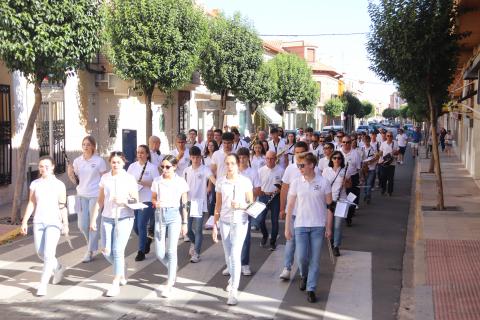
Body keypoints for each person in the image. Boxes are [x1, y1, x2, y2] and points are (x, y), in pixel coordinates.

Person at [285, 152, 333, 303]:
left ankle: (311, 288)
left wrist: (329, 227)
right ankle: (304, 275)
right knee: (301, 258)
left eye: (302, 165)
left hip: (318, 226)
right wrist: (287, 227)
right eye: (298, 165)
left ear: (311, 165)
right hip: (300, 225)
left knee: (315, 259)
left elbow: (329, 206)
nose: (299, 168)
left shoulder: (323, 182)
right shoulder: (296, 182)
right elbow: (290, 206)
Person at [90, 151, 139, 297]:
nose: (115, 164)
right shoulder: (105, 178)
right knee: (106, 251)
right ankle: (121, 267)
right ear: (110, 163)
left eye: (118, 162)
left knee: (118, 251)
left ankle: (116, 282)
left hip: (124, 218)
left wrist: (123, 201)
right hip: (107, 218)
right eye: (113, 162)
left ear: (123, 163)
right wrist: (94, 219)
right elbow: (100, 200)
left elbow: (136, 200)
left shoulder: (129, 178)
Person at [21, 156, 68, 296]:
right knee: (41, 253)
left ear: (53, 166)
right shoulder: (35, 183)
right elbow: (31, 203)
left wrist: (65, 224)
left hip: (54, 222)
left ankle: (43, 284)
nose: (43, 168)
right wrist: (24, 222)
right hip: (38, 221)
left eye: (46, 166)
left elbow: (62, 206)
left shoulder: (60, 184)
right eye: (41, 166)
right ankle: (58, 267)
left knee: (48, 254)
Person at [212, 154, 254, 306]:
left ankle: (234, 291)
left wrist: (241, 206)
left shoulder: (245, 181)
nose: (230, 166)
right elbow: (217, 205)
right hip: (224, 221)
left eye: (232, 163)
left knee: (235, 255)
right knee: (228, 255)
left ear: (238, 164)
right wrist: (215, 225)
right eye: (227, 163)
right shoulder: (221, 182)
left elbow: (251, 203)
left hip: (240, 221)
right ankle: (232, 277)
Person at [151, 155, 189, 298]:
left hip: (174, 215)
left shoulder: (180, 181)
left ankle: (169, 282)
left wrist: (185, 222)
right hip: (160, 215)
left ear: (174, 166)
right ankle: (172, 268)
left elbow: (185, 203)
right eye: (163, 167)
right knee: (160, 253)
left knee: (172, 250)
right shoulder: (157, 181)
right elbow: (153, 198)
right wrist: (156, 202)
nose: (165, 169)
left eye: (168, 167)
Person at [67, 136, 107, 263]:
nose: (85, 146)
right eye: (84, 144)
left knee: (93, 224)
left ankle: (89, 251)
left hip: (95, 195)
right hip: (81, 195)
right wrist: (70, 173)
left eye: (88, 144)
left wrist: (104, 196)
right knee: (82, 225)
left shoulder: (99, 161)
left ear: (93, 147)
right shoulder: (77, 161)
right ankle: (91, 244)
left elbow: (104, 179)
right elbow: (76, 181)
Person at [278, 141, 309, 281]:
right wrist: (282, 208)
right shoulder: (290, 169)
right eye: (296, 153)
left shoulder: (313, 168)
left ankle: (304, 270)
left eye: (301, 152)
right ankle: (287, 267)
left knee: (305, 244)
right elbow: (284, 189)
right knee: (290, 239)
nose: (298, 155)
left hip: (308, 213)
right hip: (293, 211)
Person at [127, 145, 159, 261]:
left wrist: (146, 183)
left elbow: (157, 184)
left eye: (142, 152)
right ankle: (146, 240)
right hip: (134, 199)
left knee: (141, 224)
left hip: (147, 200)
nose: (140, 155)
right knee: (135, 227)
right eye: (138, 152)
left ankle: (141, 251)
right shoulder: (132, 166)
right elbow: (127, 181)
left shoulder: (152, 167)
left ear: (147, 154)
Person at [184, 146, 216, 263]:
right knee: (187, 229)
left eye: (198, 157)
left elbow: (212, 178)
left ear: (200, 157)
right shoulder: (186, 171)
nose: (196, 160)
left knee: (198, 229)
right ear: (190, 158)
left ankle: (196, 253)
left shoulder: (205, 169)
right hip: (187, 202)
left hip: (199, 203)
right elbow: (182, 186)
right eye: (193, 157)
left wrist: (219, 185)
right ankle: (193, 242)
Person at [322, 151, 353, 257]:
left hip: (342, 200)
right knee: (329, 224)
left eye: (339, 158)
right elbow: (323, 186)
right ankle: (331, 240)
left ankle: (336, 246)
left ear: (342, 160)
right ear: (331, 159)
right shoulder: (326, 171)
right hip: (329, 200)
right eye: (334, 158)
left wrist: (346, 182)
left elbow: (349, 186)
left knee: (338, 225)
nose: (337, 160)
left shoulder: (345, 171)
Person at [237, 147, 261, 276]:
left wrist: (247, 195)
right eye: (239, 158)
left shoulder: (253, 172)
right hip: (234, 208)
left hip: (247, 207)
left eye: (244, 157)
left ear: (248, 158)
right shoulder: (233, 172)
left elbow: (258, 190)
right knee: (232, 238)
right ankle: (232, 264)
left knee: (246, 238)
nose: (241, 160)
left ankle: (245, 264)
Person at [257, 150, 283, 250]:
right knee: (260, 220)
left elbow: (284, 186)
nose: (269, 160)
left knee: (274, 221)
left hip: (275, 198)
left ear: (275, 159)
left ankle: (273, 242)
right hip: (263, 196)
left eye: (272, 158)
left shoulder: (280, 170)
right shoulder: (260, 170)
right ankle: (265, 235)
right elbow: (257, 185)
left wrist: (279, 189)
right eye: (267, 158)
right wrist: (262, 192)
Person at [340, 135, 362, 226]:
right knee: (341, 199)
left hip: (353, 178)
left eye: (348, 142)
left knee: (352, 200)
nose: (346, 144)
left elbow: (358, 168)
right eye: (344, 142)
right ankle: (340, 218)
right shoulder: (338, 152)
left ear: (351, 143)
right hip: (340, 179)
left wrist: (360, 178)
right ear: (341, 143)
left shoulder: (355, 153)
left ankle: (349, 217)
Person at [378, 131, 399, 196]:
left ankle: (390, 191)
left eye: (390, 136)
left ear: (392, 137)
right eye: (388, 136)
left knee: (391, 179)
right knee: (383, 177)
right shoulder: (383, 143)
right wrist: (377, 156)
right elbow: (381, 152)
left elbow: (398, 152)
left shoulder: (395, 143)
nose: (389, 137)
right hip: (384, 163)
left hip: (392, 164)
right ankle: (383, 189)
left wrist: (394, 153)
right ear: (386, 136)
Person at [361, 135, 378, 204]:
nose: (366, 142)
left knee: (369, 183)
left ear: (369, 141)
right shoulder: (361, 148)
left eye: (367, 140)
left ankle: (368, 196)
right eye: (365, 140)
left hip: (371, 168)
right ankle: (366, 195)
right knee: (365, 183)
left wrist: (370, 161)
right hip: (364, 169)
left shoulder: (373, 149)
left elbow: (377, 157)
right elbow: (359, 158)